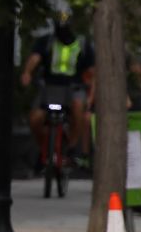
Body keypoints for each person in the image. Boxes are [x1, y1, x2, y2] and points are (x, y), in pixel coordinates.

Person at [20, 18, 96, 166]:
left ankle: (72, 147)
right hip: (49, 88)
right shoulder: (47, 42)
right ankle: (43, 149)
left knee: (78, 109)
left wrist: (90, 98)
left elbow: (93, 74)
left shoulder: (82, 44)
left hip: (74, 88)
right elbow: (35, 58)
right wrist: (27, 73)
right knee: (35, 118)